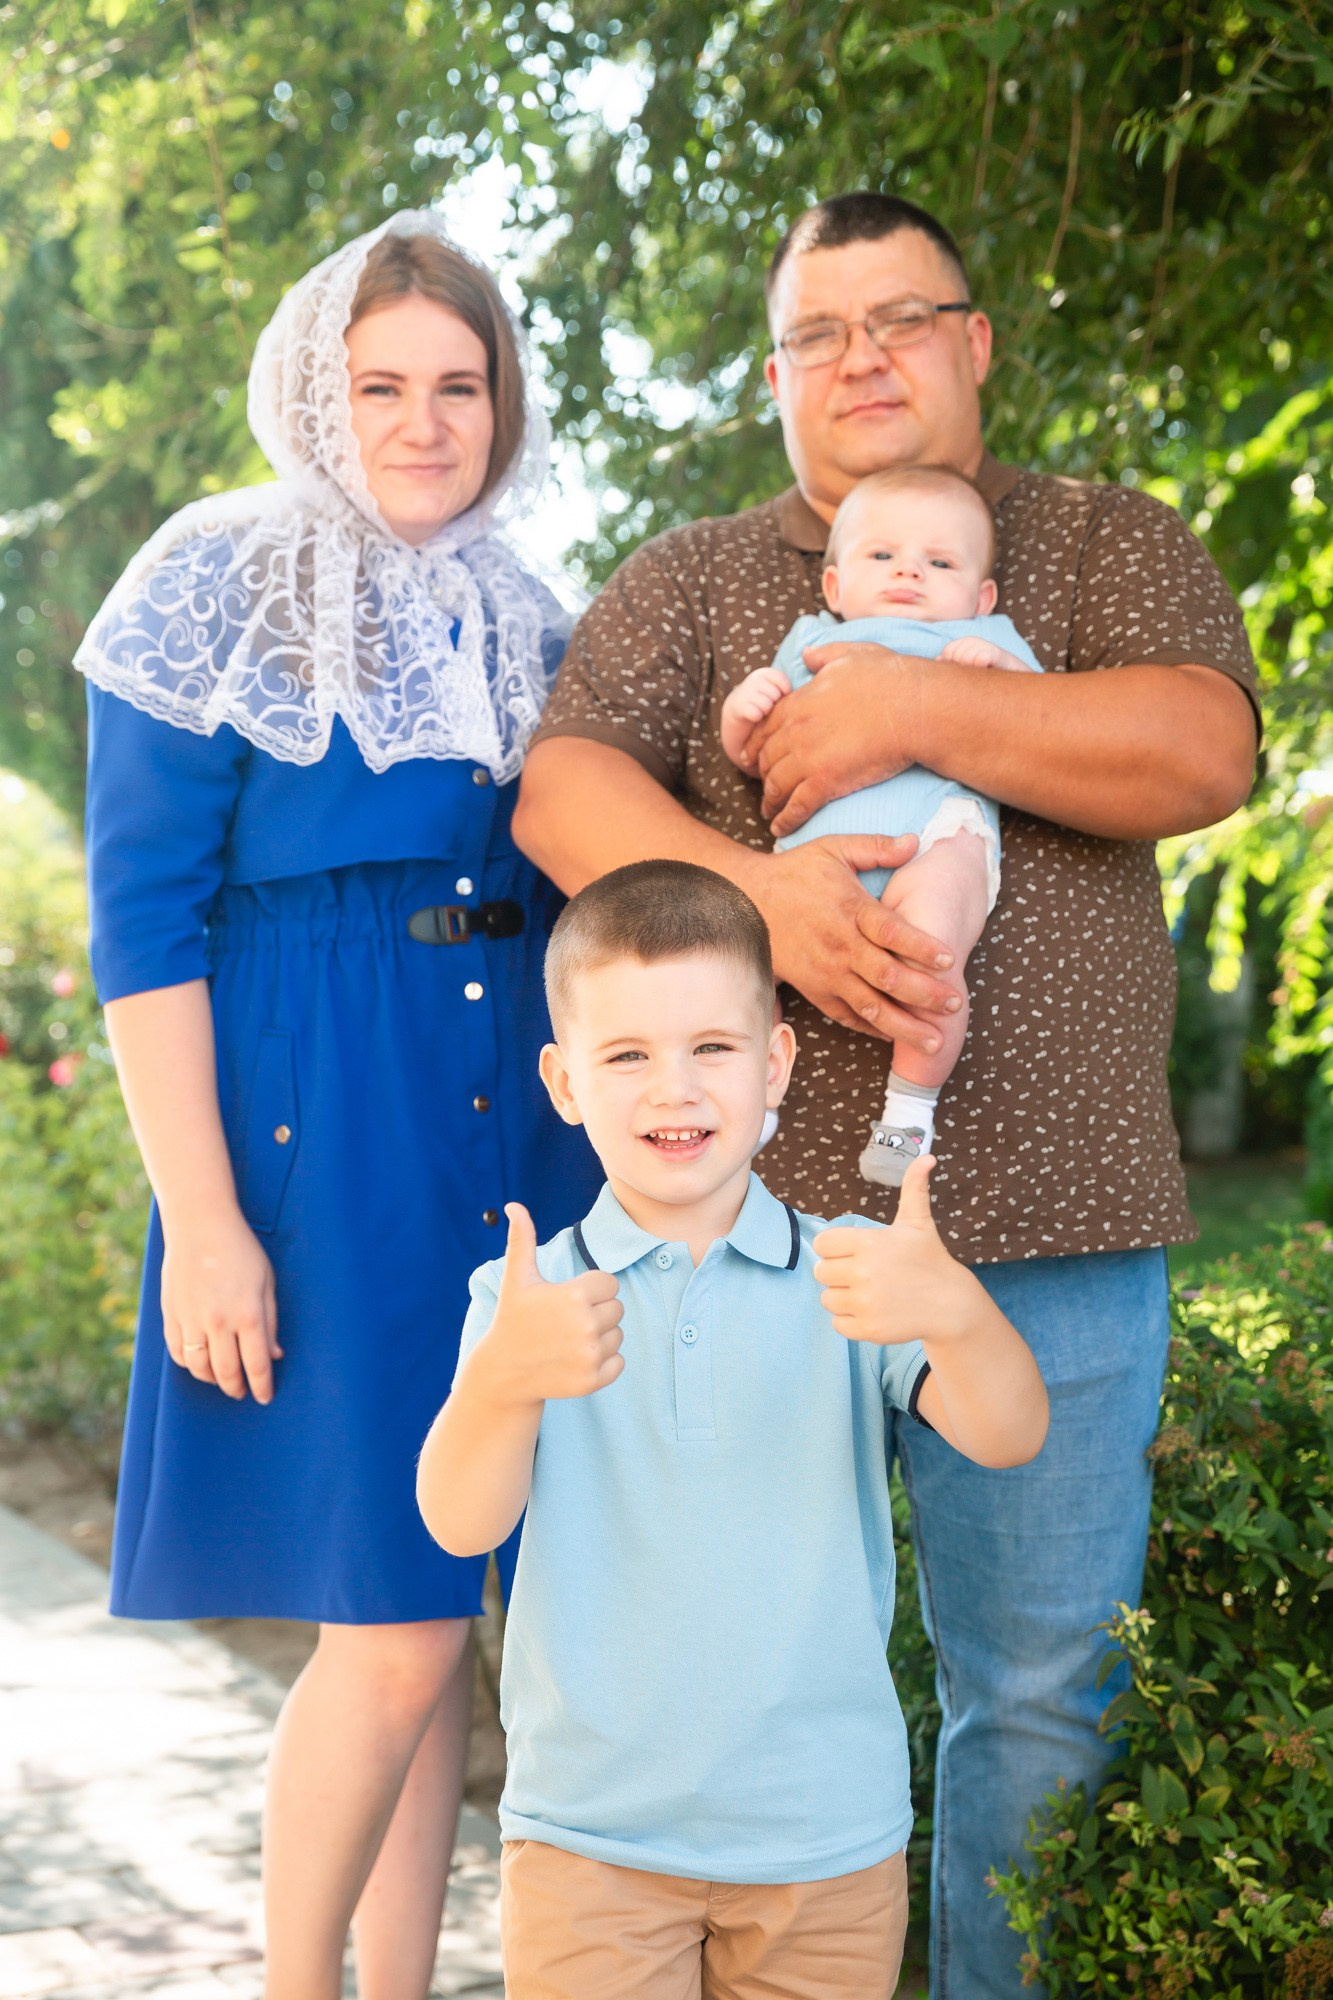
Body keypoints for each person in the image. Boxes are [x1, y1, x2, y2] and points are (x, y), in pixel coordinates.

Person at [512, 192, 1260, 1997]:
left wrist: (915, 710)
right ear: (774, 374)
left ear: (974, 343)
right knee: (733, 1671)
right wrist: (758, 893)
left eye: (899, 320)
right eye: (813, 335)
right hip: (749, 1253)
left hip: (1054, 1235)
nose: (857, 361)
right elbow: (557, 795)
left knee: (1034, 1698)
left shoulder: (1094, 549)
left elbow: (1199, 747)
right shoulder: (696, 582)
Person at [75, 211, 599, 2000]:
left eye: (460, 384)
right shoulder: (210, 574)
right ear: (320, 386)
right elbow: (140, 922)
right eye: (382, 382)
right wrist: (205, 1223)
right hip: (319, 1118)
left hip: (509, 1111)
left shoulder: (532, 607)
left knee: (437, 1608)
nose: (424, 419)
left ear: (502, 403)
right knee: (382, 1623)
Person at [417, 859, 1049, 2000]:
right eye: (627, 1055)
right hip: (587, 1841)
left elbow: (1009, 1431)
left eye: (712, 1046)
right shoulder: (527, 1301)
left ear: (775, 1065)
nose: (676, 1088)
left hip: (824, 1844)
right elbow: (462, 1523)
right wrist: (504, 1381)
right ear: (563, 1081)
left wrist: (956, 1310)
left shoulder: (858, 1271)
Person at [720, 463, 1039, 1185]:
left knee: (930, 963)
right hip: (812, 855)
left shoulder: (983, 637)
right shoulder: (807, 643)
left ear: (979, 594)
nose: (909, 573)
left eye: (939, 561)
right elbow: (752, 755)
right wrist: (745, 710)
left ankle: (906, 1116)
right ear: (835, 587)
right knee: (741, 970)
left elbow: (1046, 726)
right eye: (881, 555)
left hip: (937, 832)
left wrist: (993, 669)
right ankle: (751, 1101)